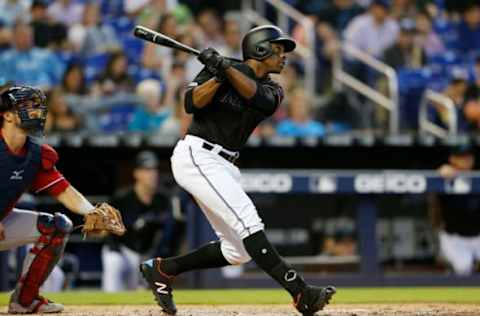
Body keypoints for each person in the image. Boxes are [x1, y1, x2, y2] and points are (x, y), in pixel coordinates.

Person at [140, 25, 336, 316]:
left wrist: (226, 69)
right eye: (278, 50)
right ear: (259, 49)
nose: (283, 57)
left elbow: (259, 98)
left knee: (238, 251)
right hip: (196, 155)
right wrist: (219, 74)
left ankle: (163, 269)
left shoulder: (274, 88)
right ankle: (300, 292)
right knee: (249, 222)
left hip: (225, 164)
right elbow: (192, 103)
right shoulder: (221, 70)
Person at [0, 84, 120, 313]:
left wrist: (90, 211)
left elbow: (64, 190)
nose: (35, 111)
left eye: (37, 106)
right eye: (26, 106)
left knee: (57, 227)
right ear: (6, 115)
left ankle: (25, 301)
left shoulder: (35, 154)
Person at [102, 150, 180, 292]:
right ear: (136, 173)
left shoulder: (162, 199)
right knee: (113, 261)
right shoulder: (122, 198)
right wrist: (116, 249)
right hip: (123, 250)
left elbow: (169, 234)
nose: (152, 174)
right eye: (147, 170)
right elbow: (109, 229)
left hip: (146, 254)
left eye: (154, 170)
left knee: (140, 291)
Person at [429, 145, 480, 276]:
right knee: (463, 268)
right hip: (454, 237)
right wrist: (440, 173)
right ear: (452, 159)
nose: (466, 161)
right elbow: (433, 199)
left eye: (468, 157)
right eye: (462, 158)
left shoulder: (477, 176)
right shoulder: (445, 176)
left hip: (477, 236)